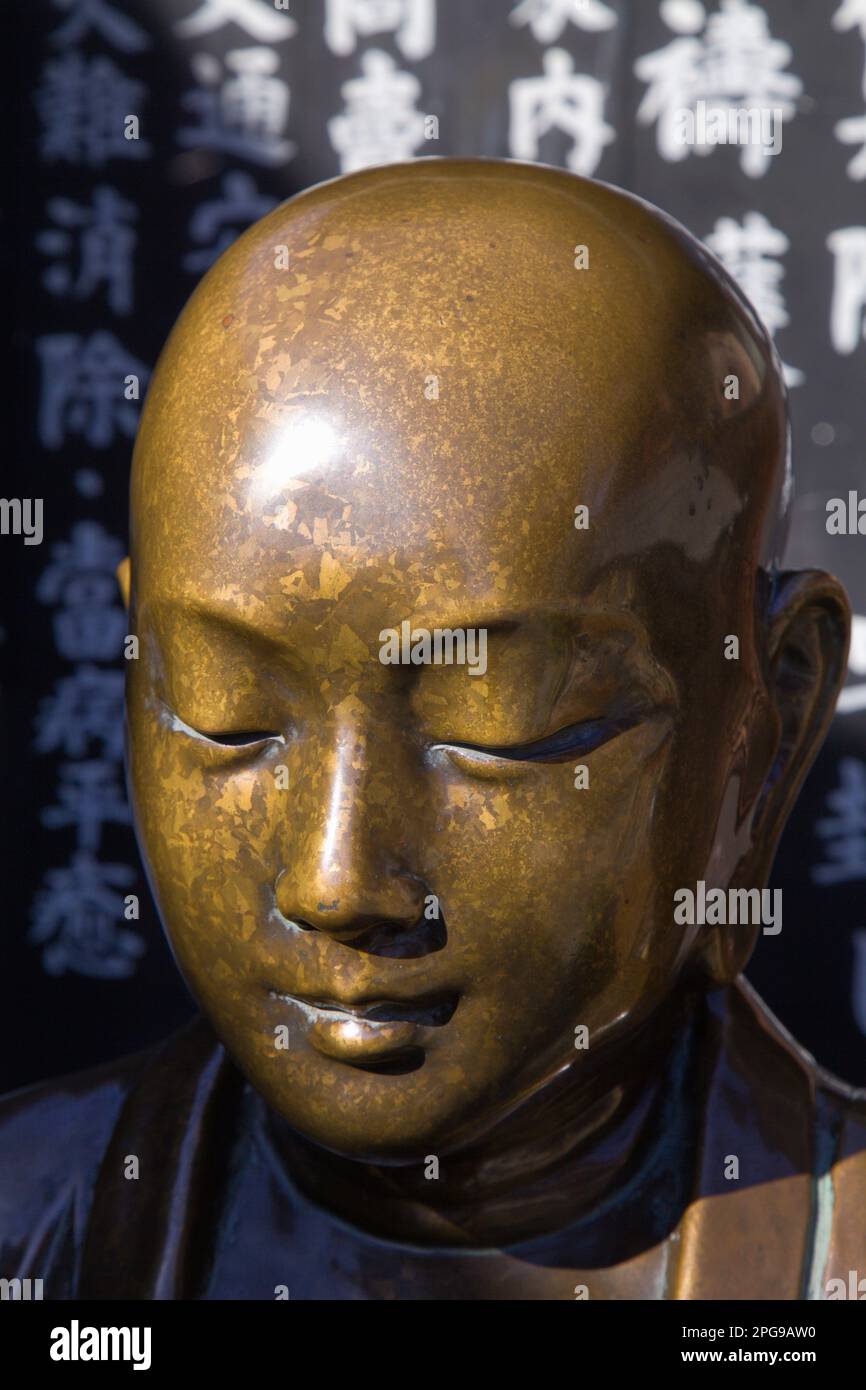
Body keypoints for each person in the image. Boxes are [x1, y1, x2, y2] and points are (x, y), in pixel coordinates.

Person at [2, 159, 863, 1300]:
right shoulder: (35, 1221)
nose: (336, 878)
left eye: (499, 727)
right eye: (227, 709)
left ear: (767, 718)